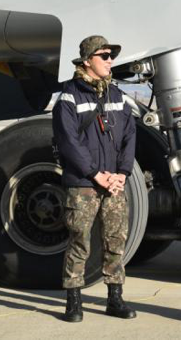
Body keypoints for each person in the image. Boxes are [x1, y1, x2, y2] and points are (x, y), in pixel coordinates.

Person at [52, 35, 137, 322]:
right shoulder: (69, 97)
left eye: (111, 55)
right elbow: (68, 142)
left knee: (116, 241)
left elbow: (129, 136)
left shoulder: (118, 96)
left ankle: (115, 299)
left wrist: (122, 174)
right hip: (84, 184)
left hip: (113, 183)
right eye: (104, 55)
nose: (110, 60)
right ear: (87, 60)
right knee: (79, 241)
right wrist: (95, 174)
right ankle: (73, 302)